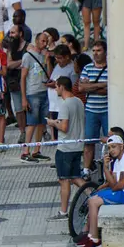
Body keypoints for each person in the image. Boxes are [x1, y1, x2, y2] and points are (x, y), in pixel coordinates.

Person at [75, 135, 124, 247]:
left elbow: (119, 185)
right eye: (109, 148)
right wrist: (106, 168)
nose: (111, 150)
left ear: (121, 146)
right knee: (93, 197)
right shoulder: (117, 161)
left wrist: (111, 187)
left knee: (93, 201)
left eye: (114, 147)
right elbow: (112, 183)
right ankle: (90, 235)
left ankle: (94, 239)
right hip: (122, 191)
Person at [47, 76, 86, 221]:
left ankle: (63, 212)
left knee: (64, 180)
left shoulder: (64, 105)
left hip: (65, 148)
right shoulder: (78, 101)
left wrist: (53, 123)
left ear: (62, 87)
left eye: (56, 87)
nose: (55, 89)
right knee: (75, 177)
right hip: (78, 145)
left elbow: (64, 127)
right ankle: (92, 193)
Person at [20, 32, 52, 162]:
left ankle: (37, 149)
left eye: (46, 41)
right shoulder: (28, 56)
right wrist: (24, 98)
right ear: (37, 41)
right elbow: (22, 77)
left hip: (44, 91)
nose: (45, 44)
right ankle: (25, 151)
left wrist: (48, 60)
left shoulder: (44, 56)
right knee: (32, 123)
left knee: (41, 123)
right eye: (42, 41)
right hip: (32, 92)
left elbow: (49, 74)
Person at [79, 40, 108, 179]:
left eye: (99, 51)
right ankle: (86, 169)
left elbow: (110, 89)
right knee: (89, 141)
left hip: (107, 110)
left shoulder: (111, 68)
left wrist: (91, 85)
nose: (95, 54)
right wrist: (101, 84)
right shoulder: (87, 68)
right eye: (94, 51)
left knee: (110, 140)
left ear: (105, 52)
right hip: (91, 110)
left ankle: (109, 168)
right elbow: (81, 88)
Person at [6, 25, 29, 143]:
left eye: (13, 33)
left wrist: (18, 64)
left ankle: (42, 130)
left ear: (20, 33)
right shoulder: (11, 48)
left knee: (31, 107)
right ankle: (23, 132)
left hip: (28, 83)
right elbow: (8, 64)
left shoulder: (29, 46)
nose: (11, 35)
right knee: (19, 110)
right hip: (14, 82)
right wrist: (23, 62)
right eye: (10, 33)